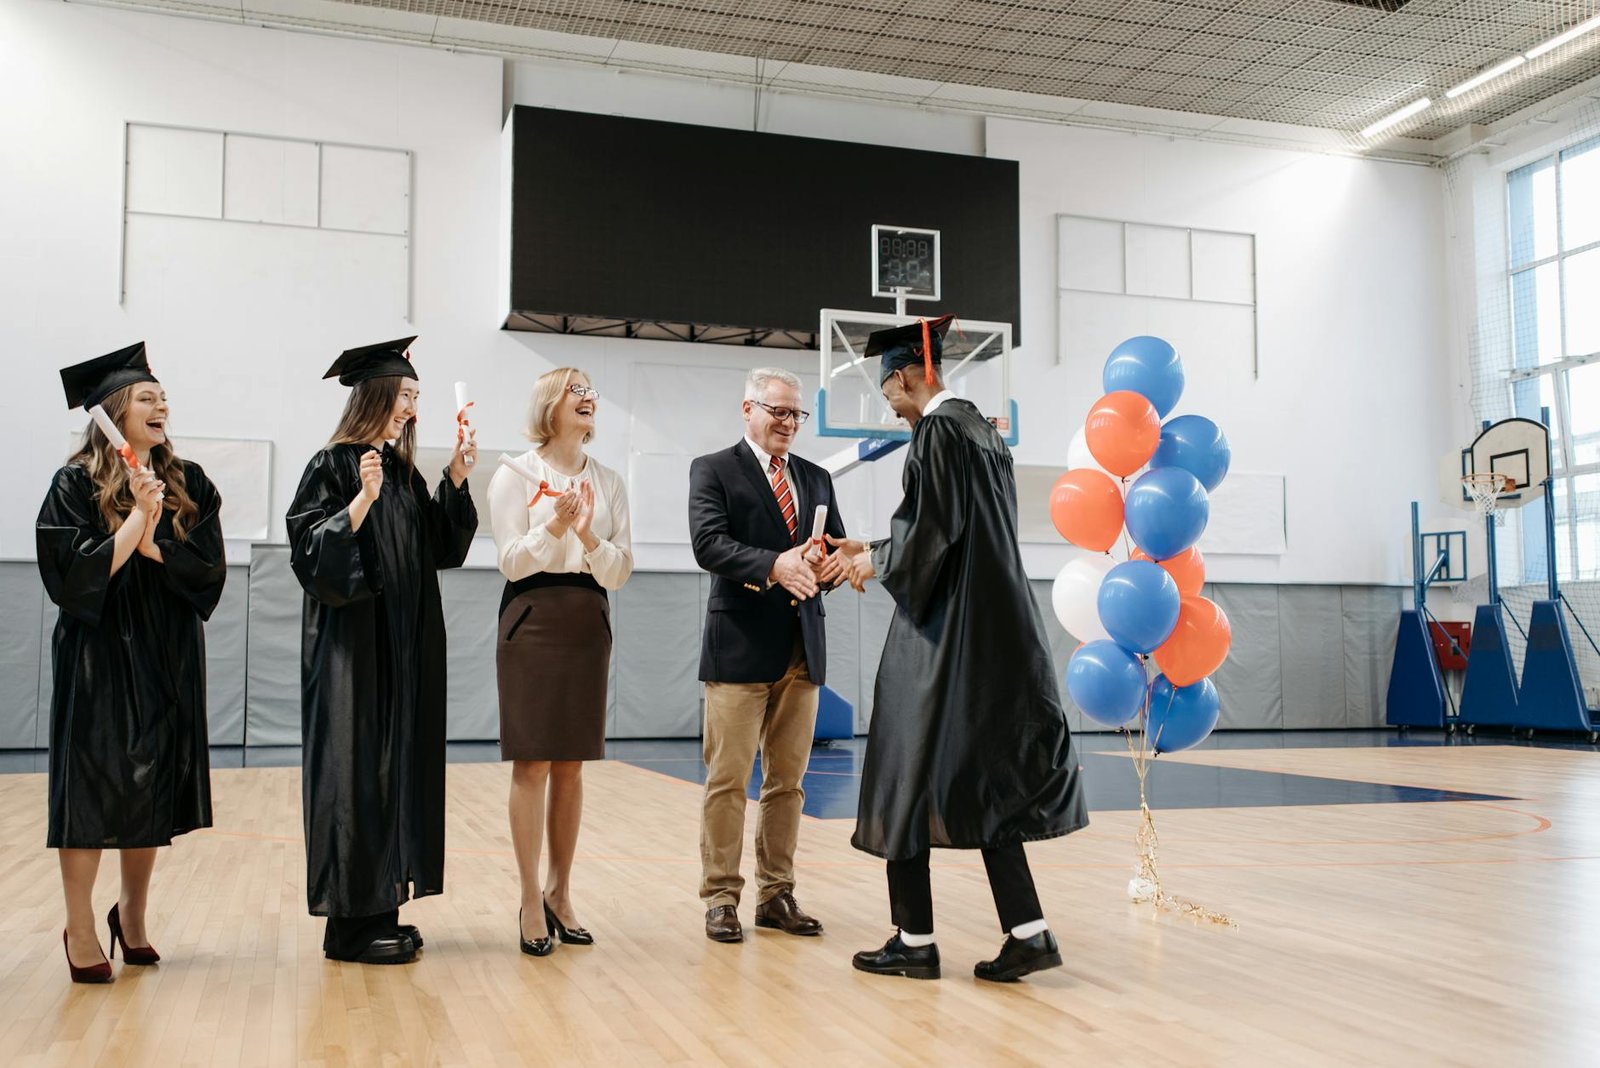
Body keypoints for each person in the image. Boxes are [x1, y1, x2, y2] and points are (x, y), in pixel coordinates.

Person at [822, 316, 1088, 983]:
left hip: (946, 637)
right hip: (995, 634)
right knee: (985, 780)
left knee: (902, 768)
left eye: (892, 394)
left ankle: (914, 940)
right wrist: (873, 547)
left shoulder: (937, 431)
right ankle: (1030, 933)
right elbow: (954, 529)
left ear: (912, 374)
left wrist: (872, 562)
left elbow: (929, 536)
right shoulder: (983, 431)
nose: (893, 406)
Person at [37, 342, 227, 983]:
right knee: (91, 788)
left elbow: (206, 572)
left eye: (163, 396)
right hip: (98, 652)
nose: (162, 404)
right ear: (114, 411)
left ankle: (134, 915)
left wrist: (155, 544)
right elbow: (73, 580)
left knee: (150, 785)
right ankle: (81, 925)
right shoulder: (73, 484)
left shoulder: (189, 481)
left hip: (162, 649)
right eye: (148, 396)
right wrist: (136, 522)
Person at [286, 336, 478, 965]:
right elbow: (311, 555)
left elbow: (438, 551)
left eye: (417, 398)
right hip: (354, 654)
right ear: (375, 398)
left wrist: (454, 481)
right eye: (405, 396)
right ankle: (348, 928)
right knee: (355, 775)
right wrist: (361, 502)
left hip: (404, 650)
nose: (412, 409)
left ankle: (381, 912)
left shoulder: (401, 470)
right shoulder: (333, 465)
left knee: (396, 772)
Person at [687, 367, 846, 944]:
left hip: (802, 649)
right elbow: (709, 544)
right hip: (739, 648)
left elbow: (831, 552)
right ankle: (722, 897)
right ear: (747, 409)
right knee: (727, 780)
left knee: (788, 783)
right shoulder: (713, 469)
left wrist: (830, 569)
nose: (788, 423)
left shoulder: (818, 477)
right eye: (777, 411)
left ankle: (777, 894)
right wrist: (775, 564)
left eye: (796, 414)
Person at [489, 367, 633, 956]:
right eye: (577, 390)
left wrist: (590, 538)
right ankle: (528, 899)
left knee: (572, 765)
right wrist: (555, 523)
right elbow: (512, 562)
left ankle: (560, 893)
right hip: (531, 616)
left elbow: (620, 569)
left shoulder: (610, 481)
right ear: (551, 403)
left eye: (592, 390)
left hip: (587, 617)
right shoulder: (514, 474)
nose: (589, 397)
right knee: (532, 766)